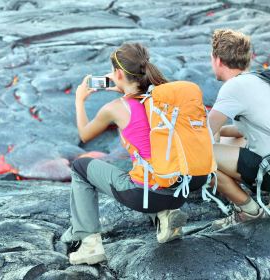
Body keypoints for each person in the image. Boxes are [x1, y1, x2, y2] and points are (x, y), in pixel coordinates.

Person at [63, 43, 208, 265]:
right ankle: (165, 217)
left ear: (119, 73)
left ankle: (89, 244)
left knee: (80, 168)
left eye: (113, 73)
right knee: (150, 164)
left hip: (146, 195)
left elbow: (84, 134)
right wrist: (123, 87)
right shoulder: (164, 99)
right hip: (181, 189)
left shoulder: (115, 108)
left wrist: (79, 99)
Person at [208, 29, 270, 230]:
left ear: (217, 60)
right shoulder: (258, 80)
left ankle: (250, 211)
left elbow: (204, 134)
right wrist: (220, 133)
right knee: (228, 143)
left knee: (193, 156)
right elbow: (245, 130)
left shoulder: (233, 87)